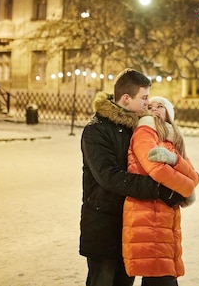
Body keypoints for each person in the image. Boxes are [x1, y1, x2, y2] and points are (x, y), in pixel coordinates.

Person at [80, 69, 185, 286]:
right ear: (126, 98)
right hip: (104, 223)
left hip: (133, 222)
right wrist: (158, 188)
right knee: (103, 280)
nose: (148, 103)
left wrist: (177, 185)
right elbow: (109, 176)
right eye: (144, 97)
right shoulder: (96, 131)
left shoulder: (140, 128)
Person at [123, 96, 199, 286]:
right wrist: (186, 188)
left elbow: (195, 178)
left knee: (163, 276)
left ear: (169, 113)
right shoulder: (144, 131)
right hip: (147, 214)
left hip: (164, 215)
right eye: (149, 106)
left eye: (160, 106)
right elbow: (157, 170)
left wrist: (174, 160)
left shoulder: (171, 142)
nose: (154, 109)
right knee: (159, 276)